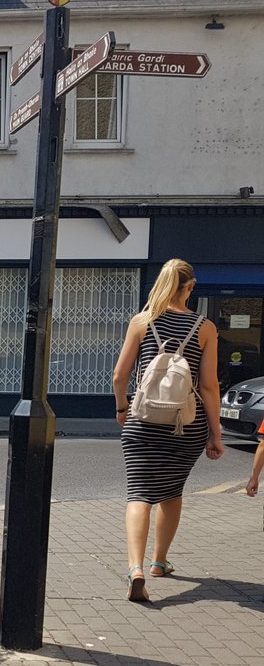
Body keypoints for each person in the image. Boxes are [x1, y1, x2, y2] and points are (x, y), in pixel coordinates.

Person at [112, 258, 222, 603]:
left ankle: (136, 569)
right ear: (190, 287)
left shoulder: (142, 322)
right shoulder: (204, 328)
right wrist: (216, 433)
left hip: (142, 421)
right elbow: (208, 388)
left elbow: (119, 376)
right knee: (172, 492)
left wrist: (121, 408)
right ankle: (159, 562)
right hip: (185, 426)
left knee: (139, 493)